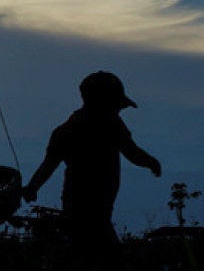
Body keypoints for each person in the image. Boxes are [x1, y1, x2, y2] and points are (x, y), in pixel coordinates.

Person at [22, 71, 162, 250]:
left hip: (76, 204)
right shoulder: (111, 125)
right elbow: (131, 152)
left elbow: (48, 165)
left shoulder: (65, 130)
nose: (119, 111)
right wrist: (150, 162)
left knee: (82, 247)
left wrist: (33, 188)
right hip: (93, 208)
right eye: (116, 106)